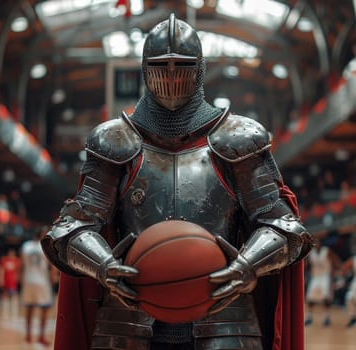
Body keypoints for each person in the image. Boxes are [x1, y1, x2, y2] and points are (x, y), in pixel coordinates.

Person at [41, 14, 313, 350]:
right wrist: (104, 266)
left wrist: (247, 265)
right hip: (127, 320)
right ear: (145, 68)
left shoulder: (238, 139)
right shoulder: (114, 141)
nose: (170, 75)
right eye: (161, 65)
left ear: (199, 68)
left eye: (180, 65)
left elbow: (284, 226)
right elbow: (71, 229)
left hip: (225, 321)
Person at [21, 229, 54, 345]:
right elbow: (52, 267)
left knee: (29, 309)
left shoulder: (25, 246)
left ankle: (28, 336)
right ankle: (41, 337)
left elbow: (22, 265)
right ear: (42, 235)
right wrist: (53, 279)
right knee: (45, 309)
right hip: (42, 281)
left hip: (28, 280)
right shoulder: (45, 247)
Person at [304, 239, 341, 326]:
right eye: (315, 243)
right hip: (315, 277)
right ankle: (309, 317)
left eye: (318, 242)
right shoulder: (311, 253)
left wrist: (338, 272)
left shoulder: (327, 251)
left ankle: (326, 317)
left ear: (320, 243)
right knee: (310, 297)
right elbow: (306, 265)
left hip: (325, 277)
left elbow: (336, 261)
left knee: (325, 297)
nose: (316, 244)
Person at [0, 248, 20, 318]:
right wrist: (0, 279)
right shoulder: (4, 260)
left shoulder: (17, 261)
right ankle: (5, 311)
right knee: (5, 294)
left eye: (12, 253)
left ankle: (14, 311)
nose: (11, 254)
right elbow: (0, 270)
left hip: (13, 281)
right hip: (6, 280)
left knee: (14, 295)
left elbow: (18, 271)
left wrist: (18, 278)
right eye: (10, 253)